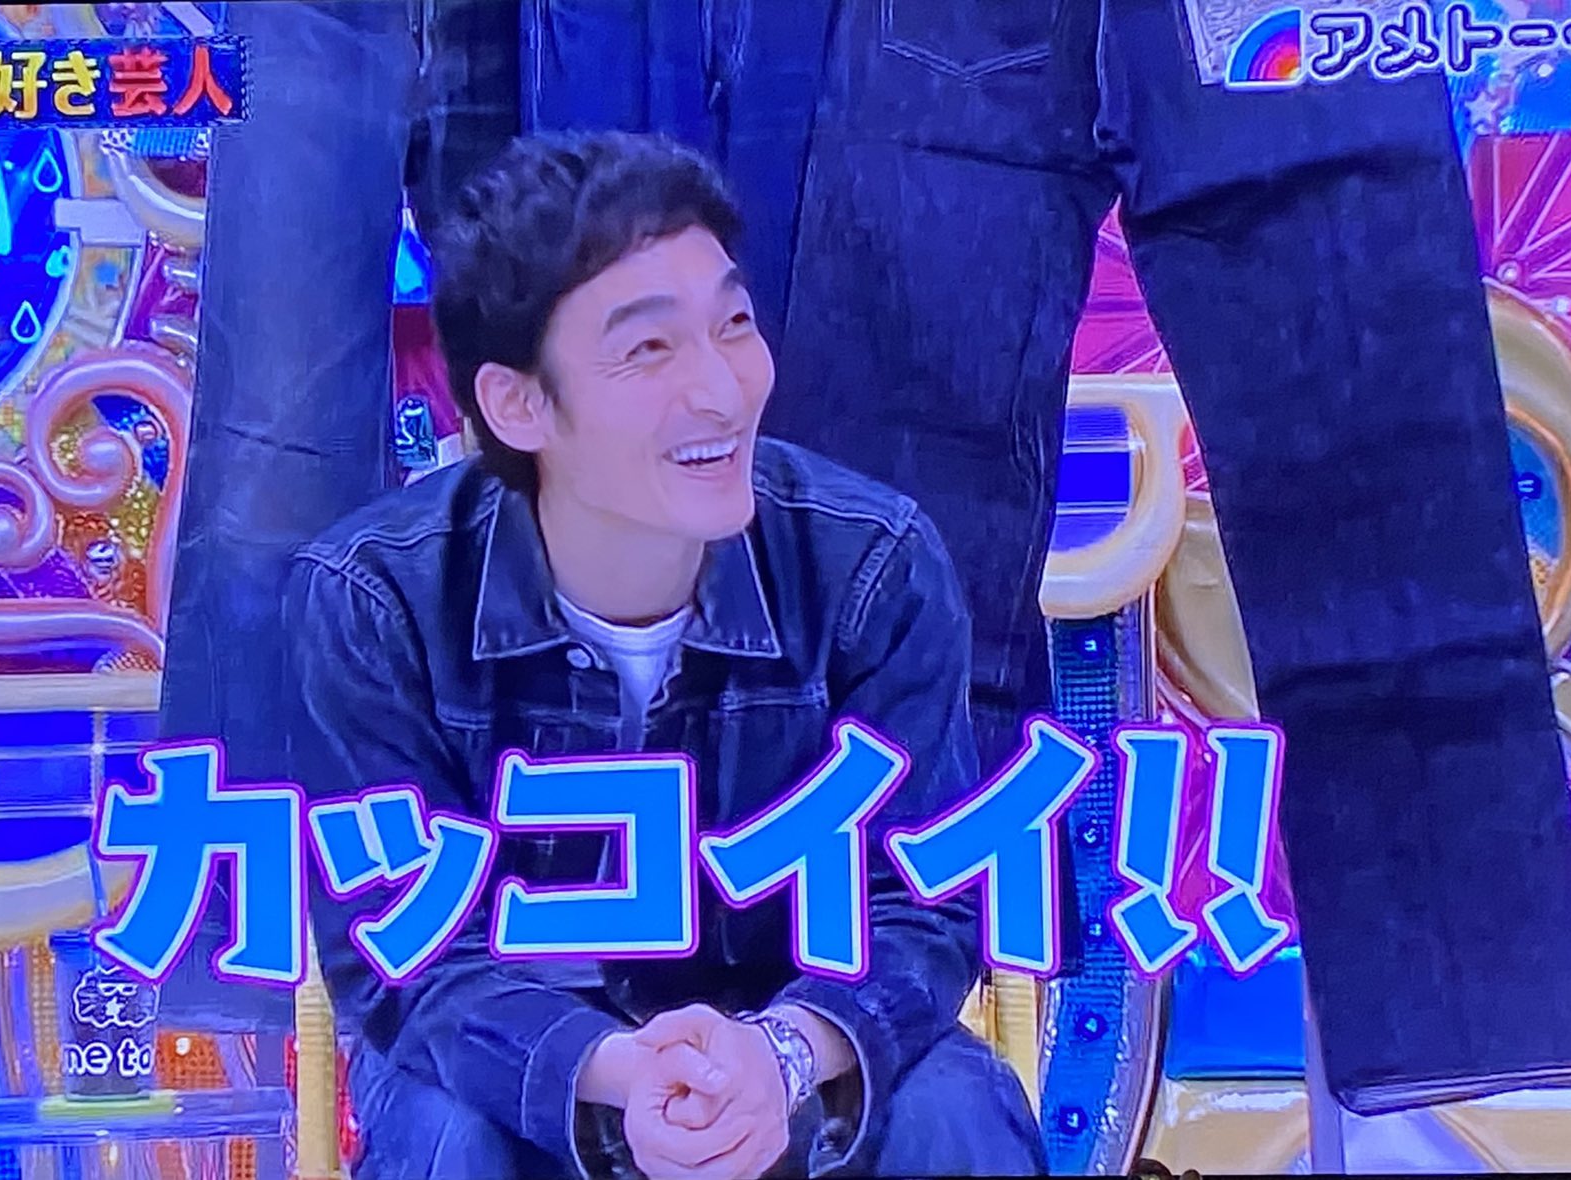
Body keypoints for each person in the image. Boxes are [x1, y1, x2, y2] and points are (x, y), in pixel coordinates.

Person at [284, 132, 1045, 1180]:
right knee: (444, 1137)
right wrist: (613, 1072)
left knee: (954, 1110)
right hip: (518, 1062)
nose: (721, 391)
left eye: (732, 325)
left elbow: (926, 900)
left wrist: (777, 1056)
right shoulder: (375, 600)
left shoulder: (873, 564)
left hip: (796, 1048)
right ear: (517, 402)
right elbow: (405, 953)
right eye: (648, 350)